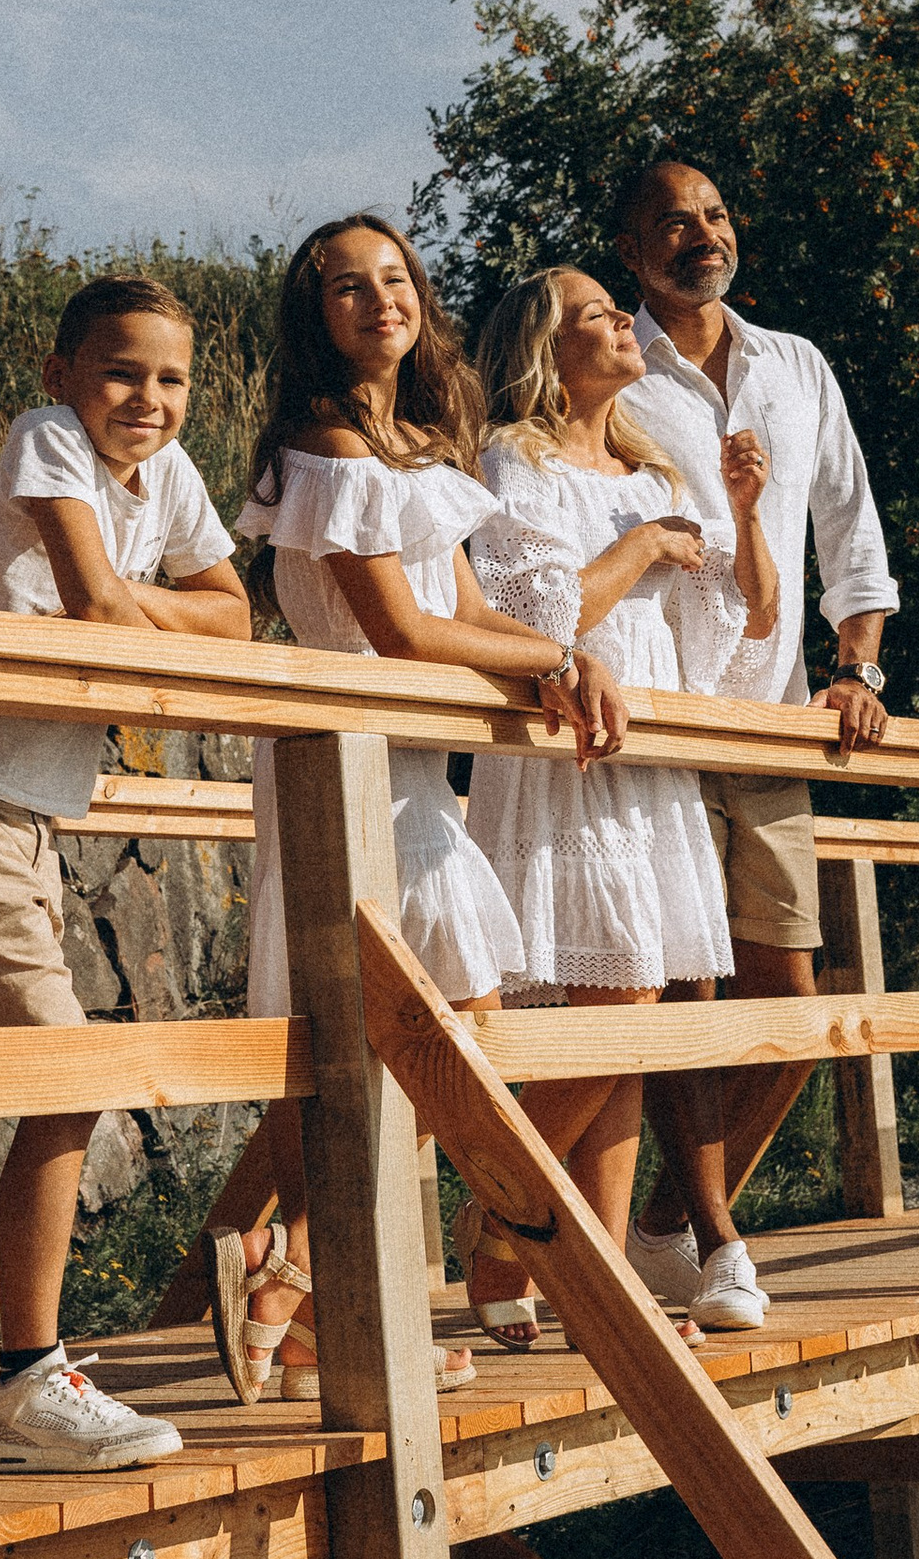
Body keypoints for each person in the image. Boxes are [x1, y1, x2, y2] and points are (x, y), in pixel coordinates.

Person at [219, 214, 628, 1405]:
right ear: (316, 316)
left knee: (436, 1037)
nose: (379, 300)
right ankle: (301, 1276)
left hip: (409, 775)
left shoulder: (412, 446)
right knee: (414, 1039)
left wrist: (563, 654)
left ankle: (300, 1287)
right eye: (348, 287)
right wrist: (554, 661)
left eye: (394, 278)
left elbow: (467, 610)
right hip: (343, 767)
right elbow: (398, 631)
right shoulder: (325, 443)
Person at [0, 277, 250, 1472]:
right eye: (121, 371)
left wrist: (137, 607)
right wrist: (137, 607)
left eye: (171, 378)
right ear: (62, 376)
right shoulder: (47, 437)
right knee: (65, 1074)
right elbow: (90, 604)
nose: (148, 398)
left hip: (20, 813)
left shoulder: (165, 473)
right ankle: (32, 1378)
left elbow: (236, 617)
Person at [459, 267, 780, 1345]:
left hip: (646, 754)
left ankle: (589, 1283)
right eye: (594, 314)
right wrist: (643, 546)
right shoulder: (514, 459)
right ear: (545, 350)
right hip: (568, 751)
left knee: (629, 1032)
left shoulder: (653, 471)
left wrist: (742, 517)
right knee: (621, 1000)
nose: (619, 324)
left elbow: (733, 634)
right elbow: (538, 616)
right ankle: (500, 1217)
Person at [610, 156, 900, 1317]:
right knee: (686, 992)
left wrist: (857, 667)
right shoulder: (611, 365)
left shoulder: (794, 364)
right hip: (657, 715)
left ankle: (662, 1225)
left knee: (791, 1005)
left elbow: (850, 524)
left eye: (715, 215)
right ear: (631, 252)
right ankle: (722, 1240)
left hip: (773, 717)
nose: (701, 236)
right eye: (671, 223)